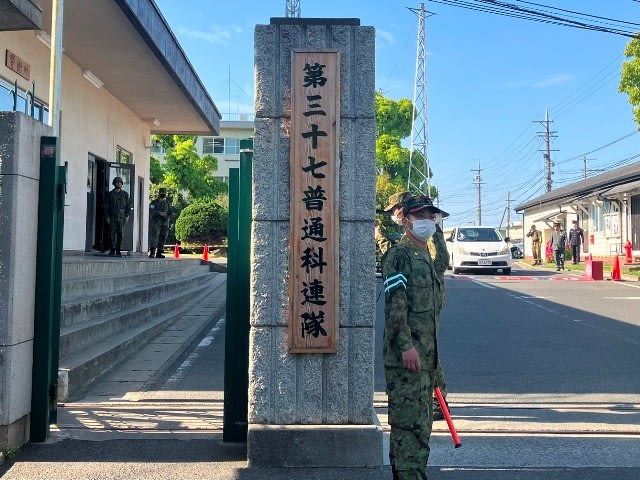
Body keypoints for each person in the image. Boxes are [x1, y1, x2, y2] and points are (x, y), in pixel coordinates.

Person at [382, 195, 447, 480]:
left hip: (427, 358)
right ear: (406, 219)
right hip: (407, 359)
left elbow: (443, 261)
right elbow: (396, 306)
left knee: (421, 425)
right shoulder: (399, 255)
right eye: (420, 216)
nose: (426, 222)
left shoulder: (426, 257)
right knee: (409, 426)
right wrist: (406, 347)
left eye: (430, 216)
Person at [104, 176, 130, 256]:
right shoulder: (110, 194)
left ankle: (118, 250)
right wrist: (107, 216)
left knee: (120, 234)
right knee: (112, 234)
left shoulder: (125, 194)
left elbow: (128, 206)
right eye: (117, 182)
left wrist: (127, 215)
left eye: (120, 182)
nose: (118, 183)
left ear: (122, 184)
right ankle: (112, 249)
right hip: (112, 216)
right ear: (114, 184)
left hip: (121, 217)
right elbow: (106, 206)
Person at [148, 187, 170, 258]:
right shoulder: (154, 202)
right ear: (159, 193)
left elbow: (171, 212)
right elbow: (151, 209)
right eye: (162, 193)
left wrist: (166, 215)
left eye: (164, 193)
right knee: (155, 236)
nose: (163, 194)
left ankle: (159, 252)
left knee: (163, 237)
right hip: (156, 222)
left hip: (165, 223)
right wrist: (158, 213)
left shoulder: (167, 203)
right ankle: (152, 252)